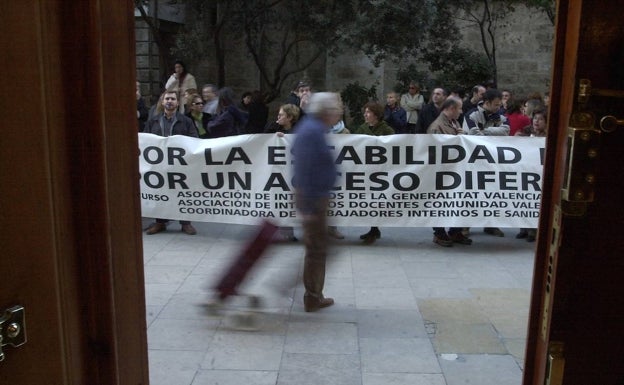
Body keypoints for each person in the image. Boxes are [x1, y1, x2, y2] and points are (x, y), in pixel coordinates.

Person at [292, 92, 342, 312]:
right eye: (334, 109)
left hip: (315, 198)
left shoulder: (313, 129)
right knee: (317, 249)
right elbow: (306, 169)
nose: (337, 113)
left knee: (318, 248)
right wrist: (309, 206)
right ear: (325, 111)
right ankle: (311, 295)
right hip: (314, 199)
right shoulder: (312, 132)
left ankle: (312, 294)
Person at [143, 90, 199, 235]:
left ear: (177, 103)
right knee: (160, 193)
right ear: (162, 102)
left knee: (183, 192)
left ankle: (185, 223)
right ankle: (160, 222)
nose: (169, 101)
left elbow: (194, 139)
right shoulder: (153, 121)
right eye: (167, 98)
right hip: (159, 165)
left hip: (180, 165)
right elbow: (145, 141)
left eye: (173, 99)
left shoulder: (186, 121)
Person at [427, 96, 473, 246]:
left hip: (455, 171)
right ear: (451, 109)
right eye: (459, 108)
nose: (461, 111)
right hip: (443, 172)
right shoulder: (437, 126)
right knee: (440, 202)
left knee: (459, 200)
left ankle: (455, 231)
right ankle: (439, 233)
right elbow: (435, 151)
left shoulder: (455, 123)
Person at [464, 88, 510, 237]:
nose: (499, 107)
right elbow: (473, 134)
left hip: (493, 161)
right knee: (470, 195)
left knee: (493, 194)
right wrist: (489, 133)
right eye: (496, 105)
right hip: (473, 161)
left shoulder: (501, 116)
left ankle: (491, 224)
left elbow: (506, 130)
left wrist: (485, 131)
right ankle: (464, 226)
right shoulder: (472, 115)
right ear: (487, 103)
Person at [354, 101, 394, 244]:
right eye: (365, 112)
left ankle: (374, 229)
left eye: (368, 112)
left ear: (376, 115)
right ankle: (373, 229)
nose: (365, 114)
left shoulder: (386, 130)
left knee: (377, 201)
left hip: (380, 172)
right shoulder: (362, 128)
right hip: (365, 170)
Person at [515, 109, 547, 241]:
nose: (536, 121)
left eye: (540, 119)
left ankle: (533, 232)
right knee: (523, 200)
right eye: (535, 118)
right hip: (525, 171)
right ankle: (523, 229)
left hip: (539, 173)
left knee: (535, 202)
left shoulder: (547, 136)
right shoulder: (527, 132)